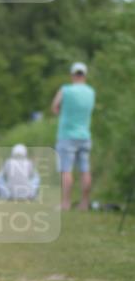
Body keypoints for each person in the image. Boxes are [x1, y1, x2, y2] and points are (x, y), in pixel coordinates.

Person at [51, 62, 96, 211]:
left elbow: (54, 107)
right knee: (85, 169)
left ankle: (66, 203)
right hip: (85, 135)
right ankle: (84, 203)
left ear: (72, 75)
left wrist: (62, 112)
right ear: (85, 75)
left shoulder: (65, 90)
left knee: (66, 170)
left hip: (67, 135)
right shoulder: (91, 92)